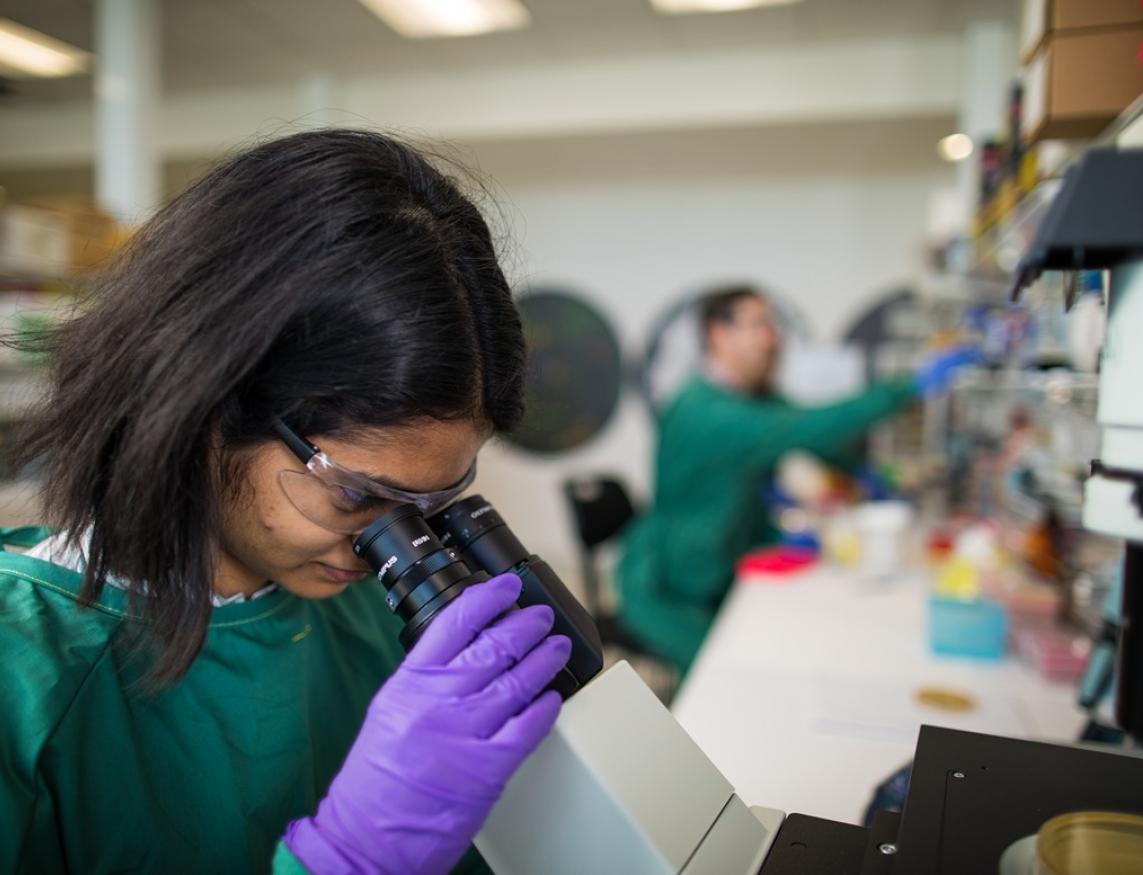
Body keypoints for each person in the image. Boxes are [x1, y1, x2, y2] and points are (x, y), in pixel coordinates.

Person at [0, 130, 571, 875]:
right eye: (358, 493)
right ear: (204, 403)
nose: (384, 544)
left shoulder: (358, 609)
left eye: (433, 499)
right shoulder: (24, 673)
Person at [617, 286, 975, 673]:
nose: (772, 338)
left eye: (772, 325)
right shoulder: (704, 411)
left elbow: (819, 438)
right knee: (719, 682)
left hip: (720, 562)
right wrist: (909, 386)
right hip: (673, 584)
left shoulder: (750, 399)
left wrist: (867, 474)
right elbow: (805, 428)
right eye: (757, 325)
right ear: (718, 335)